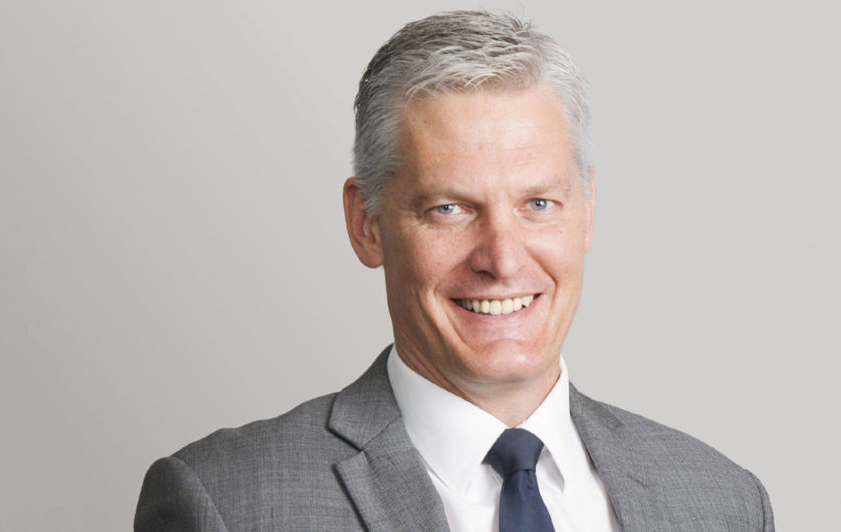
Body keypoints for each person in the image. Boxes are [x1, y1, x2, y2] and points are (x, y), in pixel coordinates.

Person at [135, 10, 774, 531]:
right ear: (366, 223)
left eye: (538, 204)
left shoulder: (723, 504)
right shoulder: (228, 505)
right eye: (449, 209)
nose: (502, 259)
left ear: (587, 212)